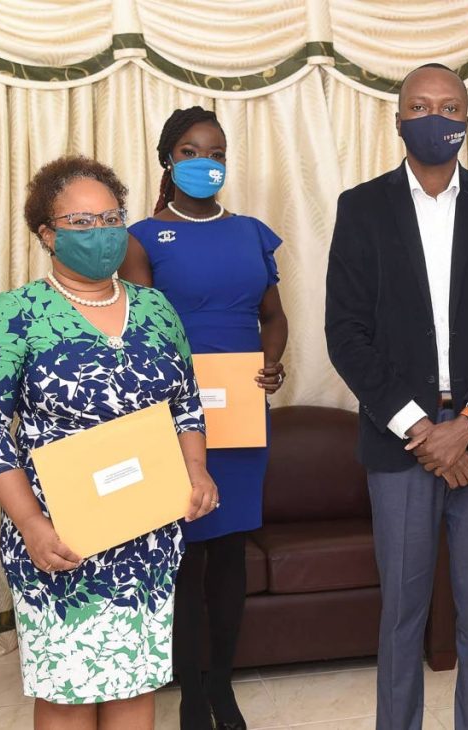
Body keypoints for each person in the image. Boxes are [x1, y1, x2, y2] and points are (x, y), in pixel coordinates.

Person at [0, 156, 219, 730]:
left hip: (147, 536)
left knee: (135, 682)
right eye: (80, 222)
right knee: (68, 691)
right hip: (59, 538)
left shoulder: (156, 309)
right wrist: (31, 524)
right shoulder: (14, 315)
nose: (100, 233)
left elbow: (187, 405)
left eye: (110, 218)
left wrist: (196, 470)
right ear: (46, 234)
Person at [325, 63, 468, 730]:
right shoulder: (361, 207)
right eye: (420, 106)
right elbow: (346, 333)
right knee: (403, 612)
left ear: (467, 121)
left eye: (449, 107)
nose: (435, 117)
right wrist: (424, 429)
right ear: (398, 119)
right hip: (403, 444)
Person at [120, 106, 288, 730]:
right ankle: (191, 692)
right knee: (186, 556)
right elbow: (134, 330)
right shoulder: (140, 237)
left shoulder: (251, 233)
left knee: (230, 553)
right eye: (190, 151)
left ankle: (223, 685)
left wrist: (272, 364)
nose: (203, 162)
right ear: (168, 159)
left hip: (242, 416)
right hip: (170, 418)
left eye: (214, 152)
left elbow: (274, 318)